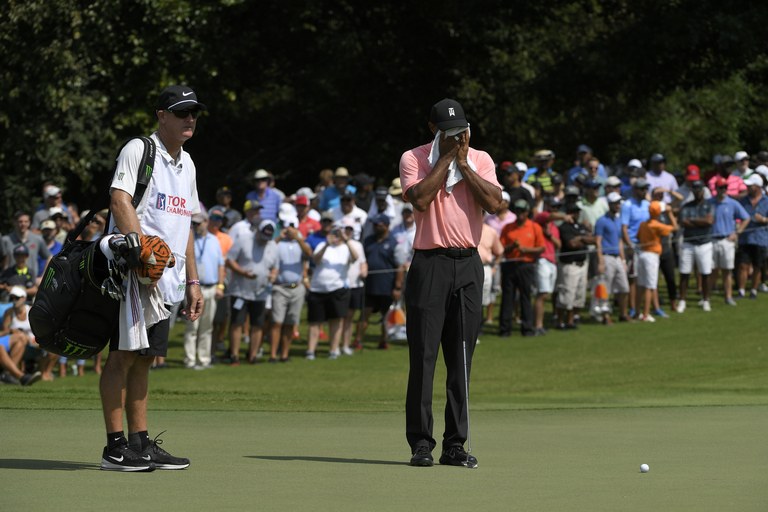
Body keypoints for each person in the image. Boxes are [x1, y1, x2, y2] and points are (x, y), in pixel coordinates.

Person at [99, 84, 205, 472]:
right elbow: (119, 198)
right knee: (122, 357)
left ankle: (141, 443)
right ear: (162, 115)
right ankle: (114, 448)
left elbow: (185, 225)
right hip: (132, 276)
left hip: (169, 283)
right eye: (181, 112)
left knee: (145, 360)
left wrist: (194, 281)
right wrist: (144, 252)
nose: (189, 119)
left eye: (193, 112)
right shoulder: (139, 149)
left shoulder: (188, 163)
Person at [400, 98, 501, 468]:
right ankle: (421, 444)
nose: (460, 138)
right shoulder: (413, 158)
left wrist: (463, 163)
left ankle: (455, 444)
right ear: (434, 131)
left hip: (469, 264)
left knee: (461, 359)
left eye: (463, 131)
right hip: (430, 264)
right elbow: (421, 199)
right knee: (424, 359)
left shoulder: (481, 159)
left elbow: (494, 203)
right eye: (451, 132)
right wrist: (445, 160)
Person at [225, 219, 278, 365]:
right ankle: (234, 355)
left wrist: (273, 275)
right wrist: (243, 272)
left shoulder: (273, 245)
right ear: (258, 231)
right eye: (263, 235)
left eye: (268, 237)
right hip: (240, 291)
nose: (265, 239)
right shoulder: (243, 240)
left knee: (258, 324)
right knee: (237, 323)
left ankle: (252, 356)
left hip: (260, 292)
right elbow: (229, 260)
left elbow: (275, 266)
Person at [305, 223, 358, 360]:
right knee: (315, 322)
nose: (336, 235)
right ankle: (311, 351)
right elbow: (315, 260)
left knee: (336, 321)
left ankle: (333, 350)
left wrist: (346, 240)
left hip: (337, 289)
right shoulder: (322, 245)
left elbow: (355, 257)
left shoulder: (347, 247)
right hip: (317, 288)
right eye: (334, 232)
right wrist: (327, 244)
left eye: (338, 232)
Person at [183, 212, 225, 369]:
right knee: (192, 326)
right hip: (194, 289)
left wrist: (220, 286)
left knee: (207, 327)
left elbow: (221, 265)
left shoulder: (214, 241)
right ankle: (190, 360)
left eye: (199, 223)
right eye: (193, 223)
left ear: (207, 222)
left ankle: (204, 359)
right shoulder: (189, 240)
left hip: (211, 287)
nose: (196, 226)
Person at [498, 199, 545, 337]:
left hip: (526, 264)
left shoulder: (534, 227)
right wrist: (512, 247)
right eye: (517, 211)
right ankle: (505, 329)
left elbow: (541, 247)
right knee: (507, 297)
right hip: (510, 264)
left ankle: (527, 328)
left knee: (525, 296)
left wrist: (526, 250)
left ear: (527, 212)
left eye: (522, 211)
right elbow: (501, 248)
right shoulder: (508, 227)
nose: (520, 214)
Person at [358, 214, 404, 349]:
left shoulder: (394, 242)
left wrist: (397, 287)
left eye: (379, 224)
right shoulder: (367, 241)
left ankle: (384, 341)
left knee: (386, 317)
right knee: (364, 315)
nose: (376, 227)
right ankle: (358, 341)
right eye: (374, 224)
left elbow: (400, 266)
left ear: (386, 225)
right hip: (369, 285)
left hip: (386, 286)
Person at [269, 217, 312, 362]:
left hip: (297, 288)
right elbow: (268, 250)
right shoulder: (278, 244)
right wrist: (279, 237)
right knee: (277, 322)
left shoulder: (300, 243)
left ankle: (284, 354)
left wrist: (298, 238)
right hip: (280, 287)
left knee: (290, 322)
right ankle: (273, 354)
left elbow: (309, 253)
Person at [709, 176, 750, 305]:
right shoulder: (709, 202)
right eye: (721, 187)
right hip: (712, 240)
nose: (723, 190)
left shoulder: (732, 203)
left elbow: (746, 218)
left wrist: (737, 232)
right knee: (712, 271)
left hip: (727, 240)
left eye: (725, 187)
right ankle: (707, 297)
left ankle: (728, 297)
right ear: (716, 188)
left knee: (727, 271)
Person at [676, 181, 714, 313]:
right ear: (692, 191)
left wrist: (693, 221)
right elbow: (683, 222)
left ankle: (706, 300)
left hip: (704, 243)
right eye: (695, 189)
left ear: (703, 190)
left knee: (705, 273)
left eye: (699, 189)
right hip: (688, 243)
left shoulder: (709, 205)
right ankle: (682, 300)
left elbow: (709, 221)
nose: (697, 192)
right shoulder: (686, 206)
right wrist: (700, 222)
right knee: (684, 273)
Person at [636, 201, 678, 322]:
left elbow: (638, 237)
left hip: (642, 254)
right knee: (650, 286)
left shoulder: (643, 224)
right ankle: (646, 314)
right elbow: (675, 227)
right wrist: (670, 214)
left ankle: (638, 312)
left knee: (641, 285)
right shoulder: (657, 225)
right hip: (651, 256)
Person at [556, 202, 596, 329]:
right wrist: (582, 239)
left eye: (577, 212)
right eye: (574, 212)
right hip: (569, 264)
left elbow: (593, 240)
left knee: (579, 294)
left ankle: (572, 320)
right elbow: (571, 244)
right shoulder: (564, 227)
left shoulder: (580, 226)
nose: (576, 214)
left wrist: (581, 238)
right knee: (567, 294)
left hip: (582, 263)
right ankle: (561, 321)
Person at [594, 192, 631, 322]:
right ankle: (605, 316)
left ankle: (623, 314)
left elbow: (620, 241)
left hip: (617, 258)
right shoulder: (601, 221)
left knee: (624, 288)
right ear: (609, 204)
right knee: (605, 289)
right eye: (615, 203)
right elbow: (598, 241)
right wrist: (600, 261)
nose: (618, 205)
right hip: (606, 257)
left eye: (619, 203)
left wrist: (623, 259)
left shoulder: (618, 220)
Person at [0, 287, 42, 386]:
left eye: (16, 298)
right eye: (12, 298)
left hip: (31, 343)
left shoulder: (31, 311)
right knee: (20, 338)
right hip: (20, 341)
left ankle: (8, 375)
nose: (14, 301)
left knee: (19, 340)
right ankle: (20, 376)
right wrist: (12, 331)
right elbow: (5, 331)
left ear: (23, 298)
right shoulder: (9, 312)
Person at [621, 178, 651, 316]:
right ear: (635, 190)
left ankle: (643, 307)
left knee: (645, 276)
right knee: (633, 277)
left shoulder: (647, 204)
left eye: (646, 188)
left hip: (646, 244)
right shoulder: (627, 205)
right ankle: (632, 307)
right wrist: (630, 245)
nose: (645, 191)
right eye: (642, 189)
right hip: (634, 244)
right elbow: (624, 228)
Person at [736, 175, 768, 298]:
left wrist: (764, 219)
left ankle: (753, 290)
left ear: (758, 187)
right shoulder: (743, 201)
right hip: (745, 238)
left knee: (757, 265)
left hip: (761, 238)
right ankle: (741, 290)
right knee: (743, 265)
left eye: (751, 186)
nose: (748, 187)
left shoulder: (766, 200)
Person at [532, 200, 561, 334]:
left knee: (547, 293)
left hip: (552, 261)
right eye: (553, 207)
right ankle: (538, 325)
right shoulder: (541, 218)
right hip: (542, 260)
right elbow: (549, 216)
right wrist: (564, 216)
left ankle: (540, 324)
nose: (554, 209)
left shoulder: (554, 227)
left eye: (557, 207)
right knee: (542, 293)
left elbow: (558, 244)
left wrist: (549, 235)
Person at [1, 211, 51, 278]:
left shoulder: (37, 239)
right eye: (20, 221)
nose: (23, 224)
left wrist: (42, 277)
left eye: (26, 221)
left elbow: (49, 257)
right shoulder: (5, 240)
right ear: (14, 222)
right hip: (10, 281)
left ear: (29, 223)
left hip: (31, 282)